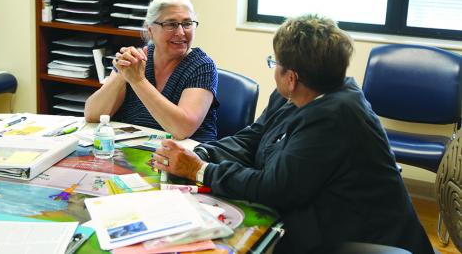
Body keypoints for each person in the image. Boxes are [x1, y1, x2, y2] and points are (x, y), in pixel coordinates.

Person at [152, 14, 435, 254]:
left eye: (274, 63)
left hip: (357, 238)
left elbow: (275, 189)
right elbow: (254, 137)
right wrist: (201, 153)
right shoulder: (297, 93)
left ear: (292, 77)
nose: (273, 69)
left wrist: (201, 170)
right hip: (314, 218)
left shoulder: (335, 116)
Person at [84, 0, 218, 142]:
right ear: (150, 30)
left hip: (188, 157)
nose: (181, 33)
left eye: (187, 24)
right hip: (136, 151)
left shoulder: (202, 66)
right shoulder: (136, 59)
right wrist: (122, 75)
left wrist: (138, 81)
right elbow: (92, 115)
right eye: (171, 24)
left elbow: (182, 129)